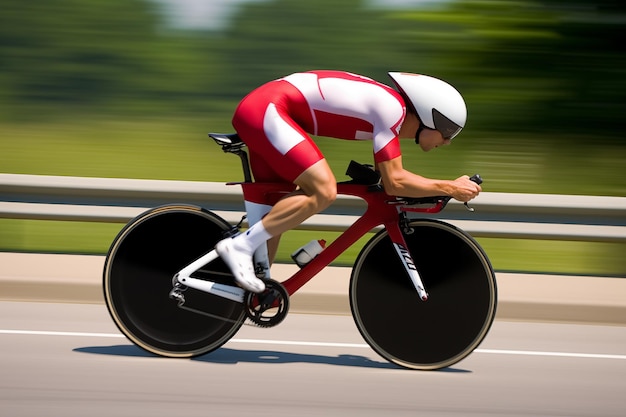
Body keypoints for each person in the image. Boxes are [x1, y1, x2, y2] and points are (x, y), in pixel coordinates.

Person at [216, 70, 482, 293]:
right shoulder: (393, 110)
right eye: (448, 132)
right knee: (323, 190)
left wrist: (444, 186)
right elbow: (395, 182)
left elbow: (392, 176)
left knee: (275, 221)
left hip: (268, 109)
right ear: (428, 116)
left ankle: (244, 290)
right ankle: (240, 245)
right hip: (267, 109)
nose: (447, 142)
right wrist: (449, 187)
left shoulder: (391, 111)